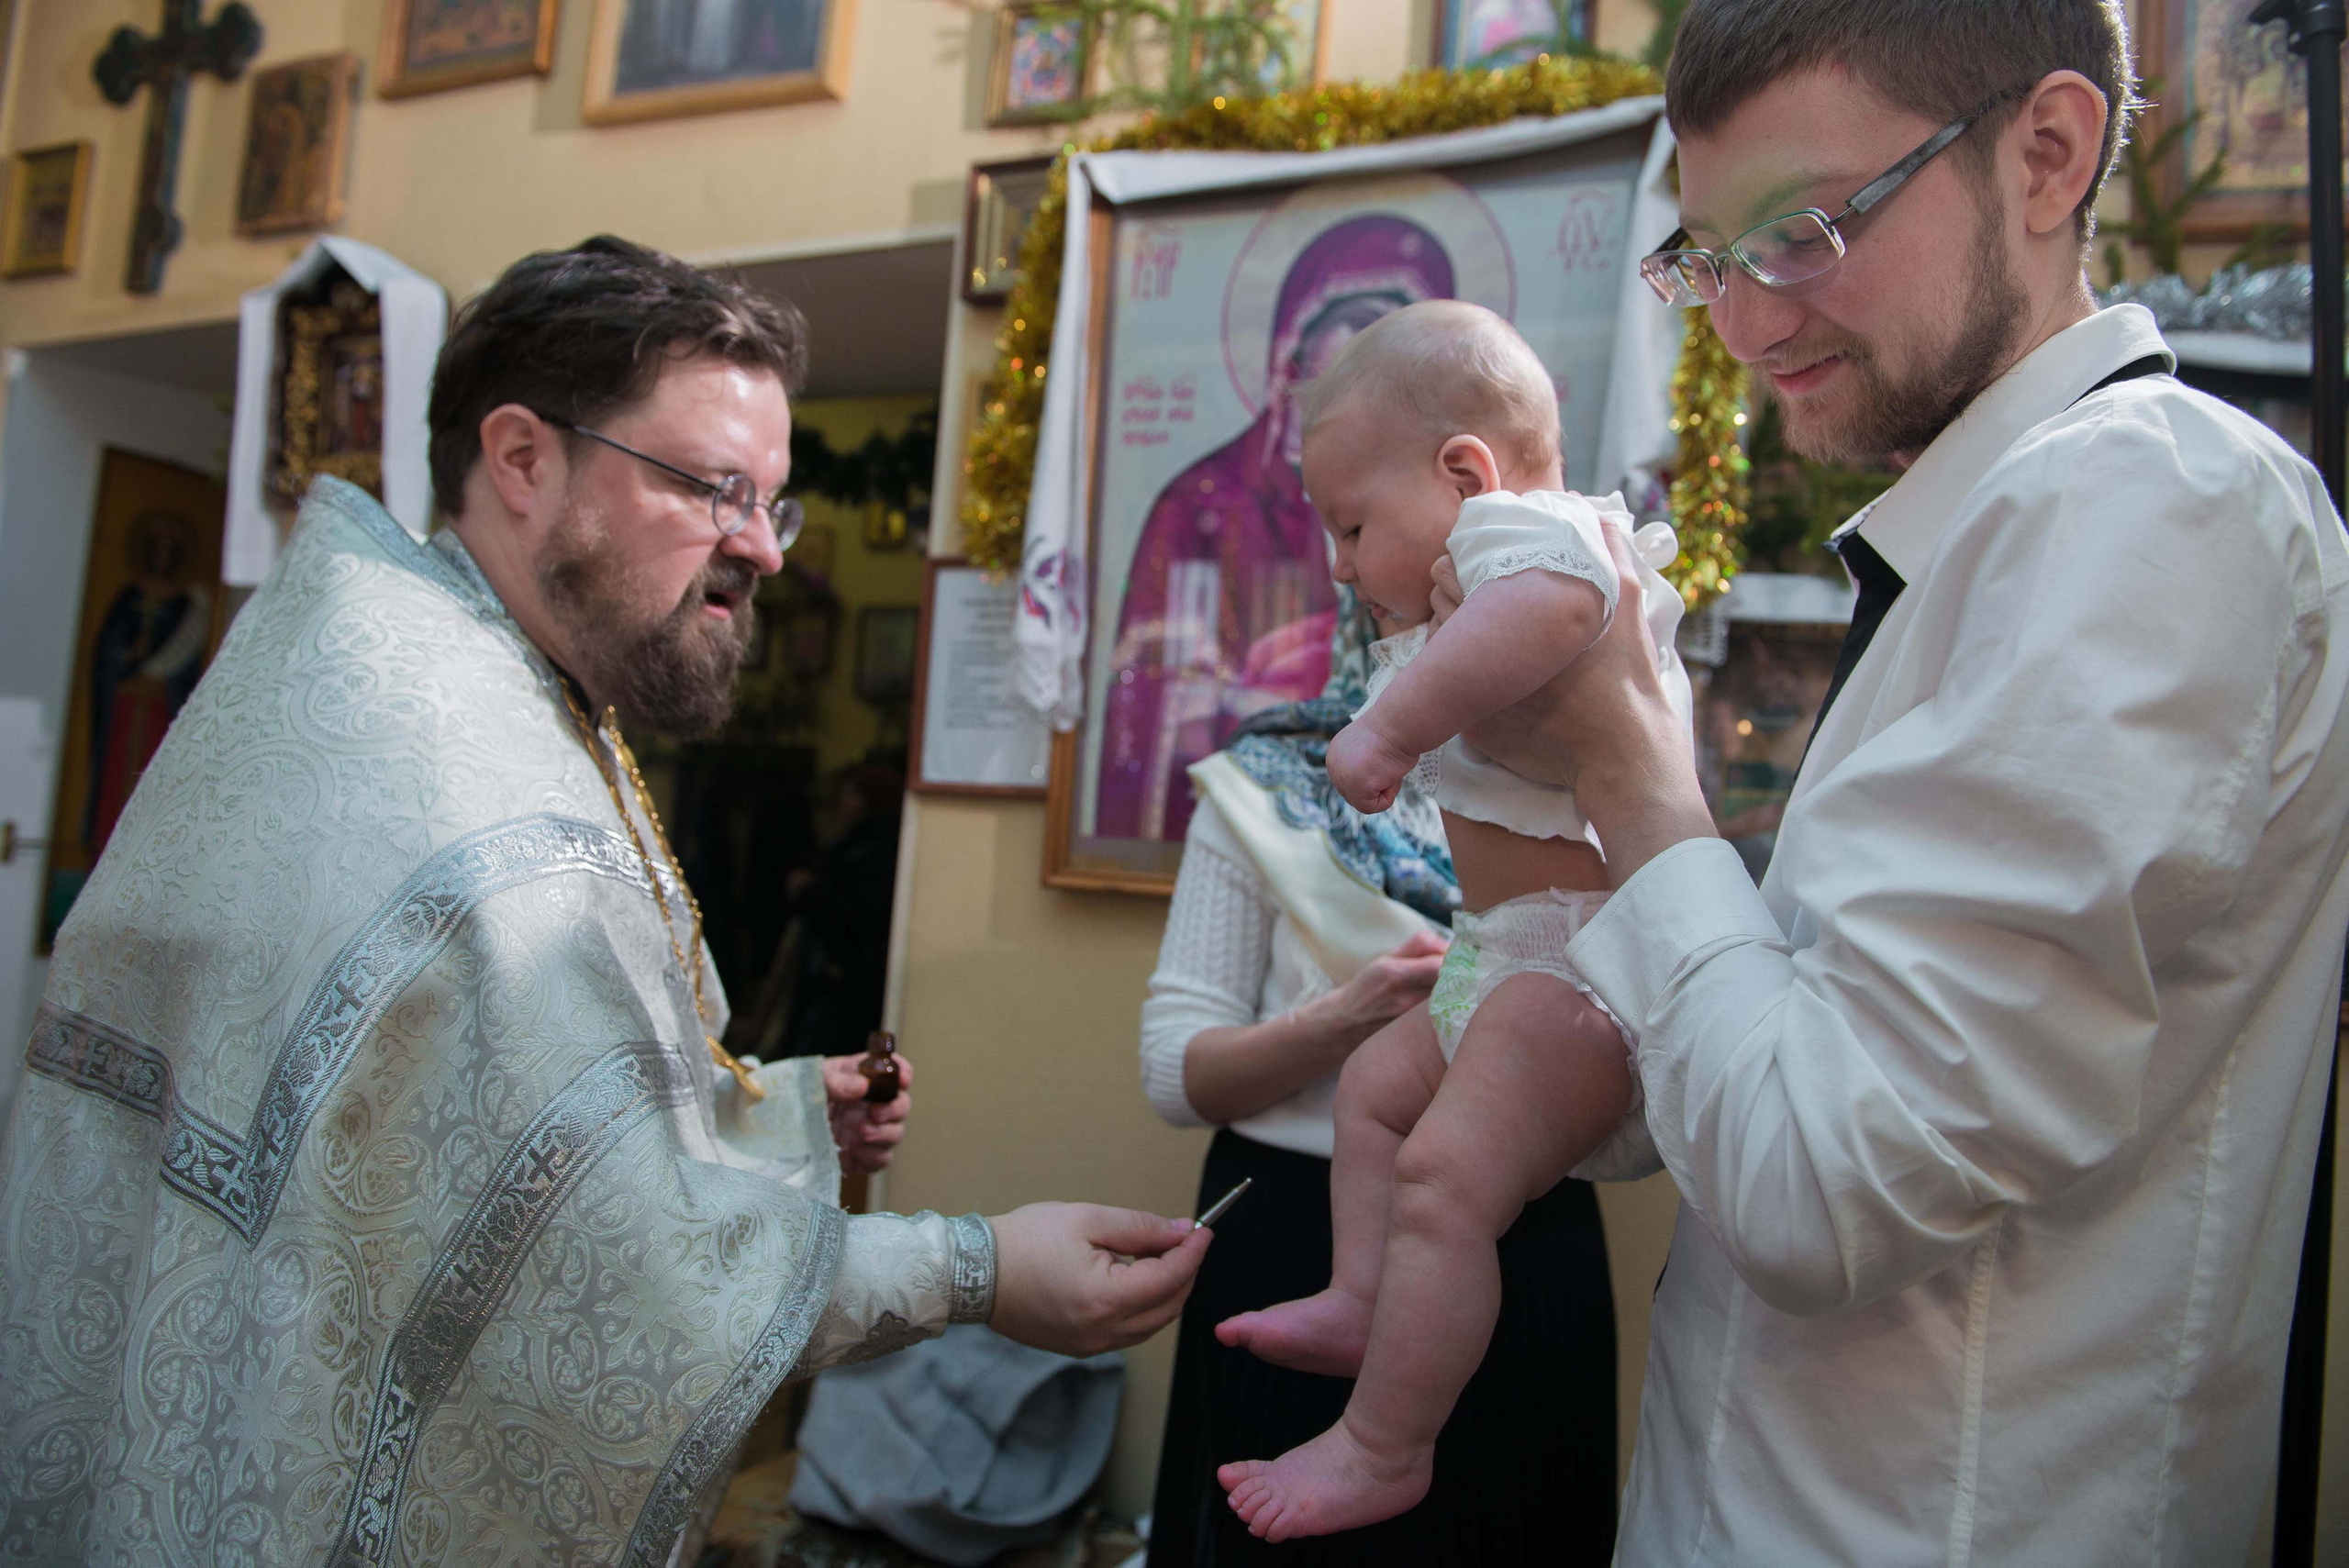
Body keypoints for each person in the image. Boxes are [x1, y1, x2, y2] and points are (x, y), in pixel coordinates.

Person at [0, 237, 1208, 1566]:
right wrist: (982, 1269)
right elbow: (614, 1269)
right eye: (714, 488)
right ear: (523, 459)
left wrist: (783, 1108)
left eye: (774, 502)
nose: (763, 547)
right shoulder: (450, 775)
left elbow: (464, 1129)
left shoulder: (436, 667)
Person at [1442, 4, 2349, 1562]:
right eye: (1709, 254)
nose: (1739, 321)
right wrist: (1529, 811)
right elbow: (1727, 1102)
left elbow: (1818, 1180)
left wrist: (1631, 754)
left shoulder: (2152, 497)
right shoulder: (1987, 533)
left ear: (2046, 155)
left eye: (1803, 229)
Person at [1211, 301, 1687, 1541]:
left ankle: (1384, 1443)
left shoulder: (1540, 540)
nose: (1340, 563)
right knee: (1375, 1093)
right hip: (1508, 952)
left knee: (1443, 1176)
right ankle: (1365, 1298)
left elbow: (1553, 610)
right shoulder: (1479, 572)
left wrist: (1391, 726)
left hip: (1580, 971)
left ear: (1467, 474)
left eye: (1354, 525)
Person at [1141, 584, 1620, 1565]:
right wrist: (1347, 1018)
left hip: (1524, 1240)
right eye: (1343, 531)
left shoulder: (1587, 771)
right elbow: (1172, 1071)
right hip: (1300, 1232)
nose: (1356, 559)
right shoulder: (1270, 780)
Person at [1097, 214, 1460, 845]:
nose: (1346, 563)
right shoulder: (1201, 501)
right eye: (1322, 402)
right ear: (1285, 363)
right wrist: (1231, 704)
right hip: (1256, 812)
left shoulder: (1465, 533)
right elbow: (1156, 682)